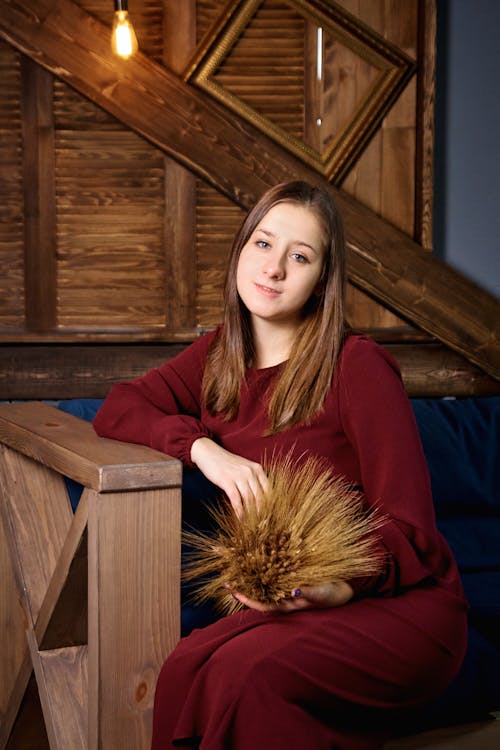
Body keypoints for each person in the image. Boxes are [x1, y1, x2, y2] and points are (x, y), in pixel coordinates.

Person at [93, 181, 468, 749]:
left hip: (398, 606)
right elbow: (121, 407)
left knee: (247, 678)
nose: (273, 269)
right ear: (241, 250)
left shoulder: (357, 367)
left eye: (299, 256)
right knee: (184, 669)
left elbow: (412, 529)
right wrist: (206, 452)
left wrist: (338, 585)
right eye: (263, 245)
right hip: (288, 601)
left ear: (322, 279)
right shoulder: (219, 355)